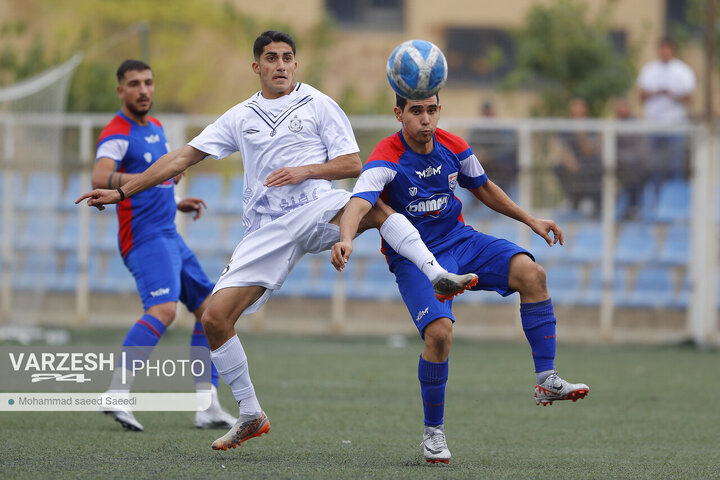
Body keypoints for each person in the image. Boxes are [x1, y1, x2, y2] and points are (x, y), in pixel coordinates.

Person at [77, 31, 477, 451]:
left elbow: (352, 163)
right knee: (214, 318)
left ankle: (435, 273)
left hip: (315, 208)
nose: (281, 65)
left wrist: (304, 171)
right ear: (257, 67)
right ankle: (250, 413)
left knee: (374, 207)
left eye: (287, 57)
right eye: (271, 58)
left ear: (295, 64)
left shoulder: (319, 104)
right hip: (266, 232)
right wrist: (123, 191)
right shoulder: (240, 116)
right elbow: (181, 158)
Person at [331, 93, 589, 464]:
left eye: (431, 110)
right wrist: (345, 238)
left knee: (533, 275)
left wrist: (530, 219)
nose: (425, 119)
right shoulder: (386, 154)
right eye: (416, 111)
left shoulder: (454, 146)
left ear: (439, 111)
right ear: (398, 113)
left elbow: (483, 187)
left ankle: (547, 379)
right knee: (439, 335)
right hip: (416, 257)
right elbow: (359, 201)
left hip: (461, 241)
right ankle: (433, 433)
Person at [92, 59, 237, 432]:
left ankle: (207, 405)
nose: (143, 90)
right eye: (134, 84)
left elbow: (158, 180)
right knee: (163, 310)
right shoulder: (117, 132)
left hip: (169, 233)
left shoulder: (155, 128)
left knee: (209, 310)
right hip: (143, 237)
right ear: (121, 90)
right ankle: (117, 392)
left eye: (148, 82)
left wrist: (175, 201)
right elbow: (100, 175)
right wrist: (153, 175)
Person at [637, 36, 695, 185]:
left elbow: (690, 98)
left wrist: (672, 95)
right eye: (662, 48)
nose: (665, 52)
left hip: (675, 124)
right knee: (654, 165)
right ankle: (656, 198)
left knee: (675, 163)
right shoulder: (649, 70)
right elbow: (641, 95)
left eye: (667, 48)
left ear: (672, 49)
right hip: (654, 124)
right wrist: (656, 93)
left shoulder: (683, 71)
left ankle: (673, 195)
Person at [552, 97, 602, 216]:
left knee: (594, 169)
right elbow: (561, 147)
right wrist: (570, 161)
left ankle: (591, 201)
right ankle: (573, 200)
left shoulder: (591, 127)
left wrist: (581, 133)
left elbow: (589, 150)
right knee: (558, 168)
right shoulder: (565, 127)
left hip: (589, 163)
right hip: (572, 164)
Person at [467, 100, 518, 194]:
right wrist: (478, 154)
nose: (487, 116)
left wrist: (489, 156)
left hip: (502, 169)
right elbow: (469, 147)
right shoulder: (477, 130)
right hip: (484, 168)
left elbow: (509, 149)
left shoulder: (503, 128)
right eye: (485, 114)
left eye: (489, 113)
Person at [613, 97, 650, 219]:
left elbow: (641, 150)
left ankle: (634, 207)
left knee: (634, 171)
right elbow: (610, 149)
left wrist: (624, 158)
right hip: (618, 166)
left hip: (635, 165)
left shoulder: (637, 125)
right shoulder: (613, 126)